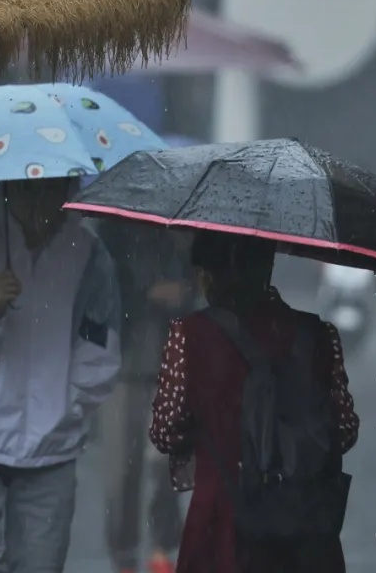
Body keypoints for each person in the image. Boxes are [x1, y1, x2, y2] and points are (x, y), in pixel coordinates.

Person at [0, 178, 121, 573]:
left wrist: (63, 410)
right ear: (6, 189)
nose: (40, 203)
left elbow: (99, 351)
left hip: (50, 454)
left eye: (52, 189)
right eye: (29, 190)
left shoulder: (88, 257)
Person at [149, 231, 360, 573]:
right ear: (268, 265)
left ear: (210, 274)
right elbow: (344, 432)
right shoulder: (316, 334)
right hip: (301, 526)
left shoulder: (190, 335)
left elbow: (164, 432)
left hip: (220, 522)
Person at [95, 221, 194, 573]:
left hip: (171, 362)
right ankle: (124, 556)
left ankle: (163, 548)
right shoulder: (111, 230)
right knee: (122, 469)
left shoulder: (183, 228)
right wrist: (148, 292)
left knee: (165, 463)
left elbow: (197, 289)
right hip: (122, 364)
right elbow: (101, 295)